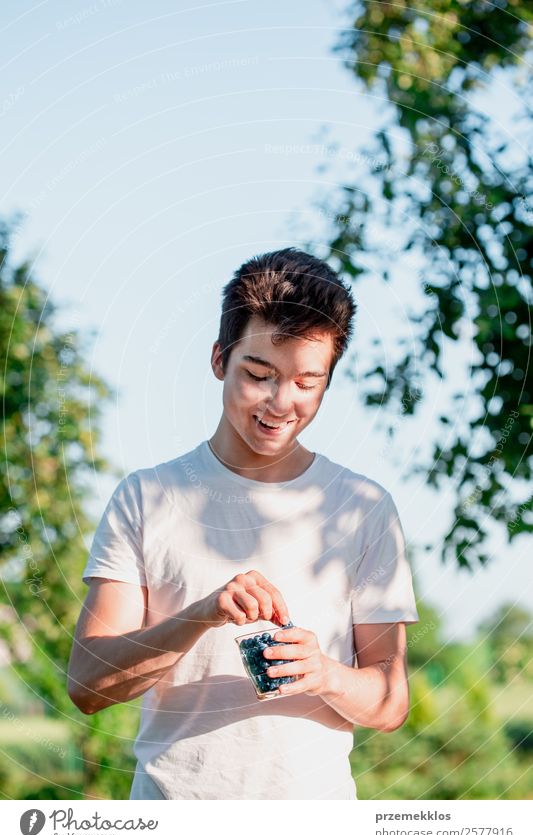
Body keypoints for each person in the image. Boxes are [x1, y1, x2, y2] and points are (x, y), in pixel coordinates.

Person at [67, 247, 419, 800]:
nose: (282, 403)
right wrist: (199, 615)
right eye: (260, 375)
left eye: (308, 382)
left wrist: (325, 673)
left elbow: (391, 703)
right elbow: (87, 685)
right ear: (218, 360)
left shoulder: (363, 507)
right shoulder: (147, 496)